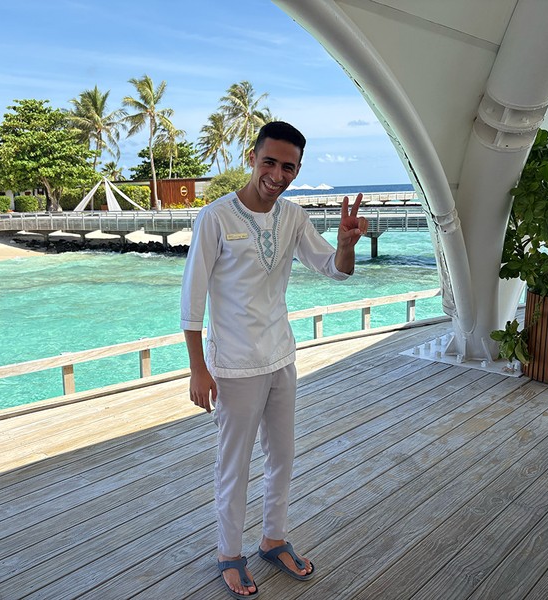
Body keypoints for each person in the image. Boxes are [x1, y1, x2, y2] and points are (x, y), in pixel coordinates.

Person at [180, 121, 368, 598]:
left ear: (297, 169)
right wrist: (198, 368)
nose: (278, 175)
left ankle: (273, 540)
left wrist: (346, 245)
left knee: (281, 456)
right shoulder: (215, 217)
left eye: (289, 167)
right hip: (234, 365)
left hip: (281, 357)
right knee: (234, 464)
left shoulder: (294, 217)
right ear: (252, 158)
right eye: (270, 162)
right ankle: (229, 553)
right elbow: (192, 297)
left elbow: (335, 270)